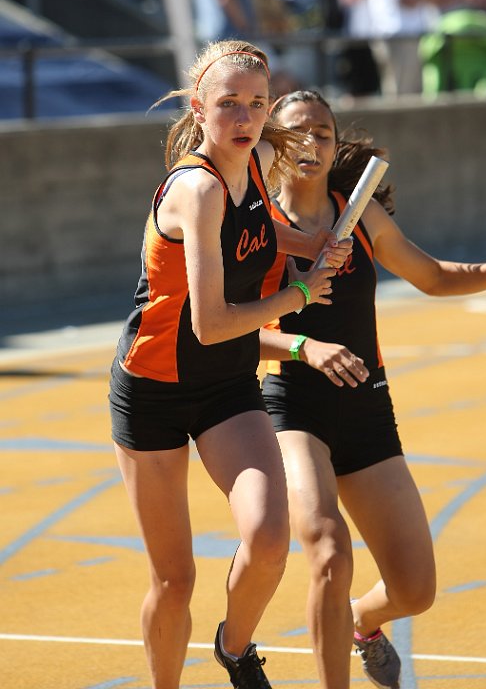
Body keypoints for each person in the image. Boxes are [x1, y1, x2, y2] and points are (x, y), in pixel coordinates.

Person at [259, 89, 486, 689]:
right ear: (271, 145)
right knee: (328, 552)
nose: (311, 143)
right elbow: (219, 331)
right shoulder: (254, 228)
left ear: (336, 148)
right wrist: (306, 346)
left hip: (365, 408)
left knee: (415, 589)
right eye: (297, 133)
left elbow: (433, 277)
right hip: (293, 407)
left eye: (323, 134)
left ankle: (359, 620)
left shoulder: (357, 217)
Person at [108, 43, 353, 689]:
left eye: (255, 103)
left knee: (270, 537)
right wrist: (296, 296)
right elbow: (209, 323)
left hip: (225, 387)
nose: (244, 117)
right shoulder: (197, 191)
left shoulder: (262, 158)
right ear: (198, 109)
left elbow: (265, 230)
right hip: (154, 388)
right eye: (227, 104)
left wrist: (314, 243)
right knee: (175, 578)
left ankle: (235, 647)